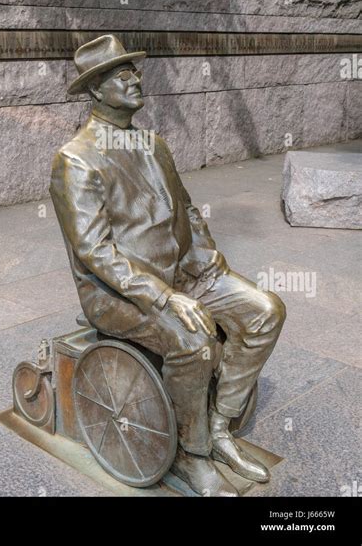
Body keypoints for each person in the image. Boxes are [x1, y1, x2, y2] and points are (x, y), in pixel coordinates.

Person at [50, 35, 286, 496]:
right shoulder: (76, 160)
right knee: (195, 342)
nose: (135, 79)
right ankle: (189, 455)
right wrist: (165, 296)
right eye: (122, 74)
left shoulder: (154, 144)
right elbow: (95, 252)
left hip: (186, 276)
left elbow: (188, 211)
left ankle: (217, 430)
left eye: (134, 70)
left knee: (266, 310)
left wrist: (208, 261)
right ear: (96, 90)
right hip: (121, 295)